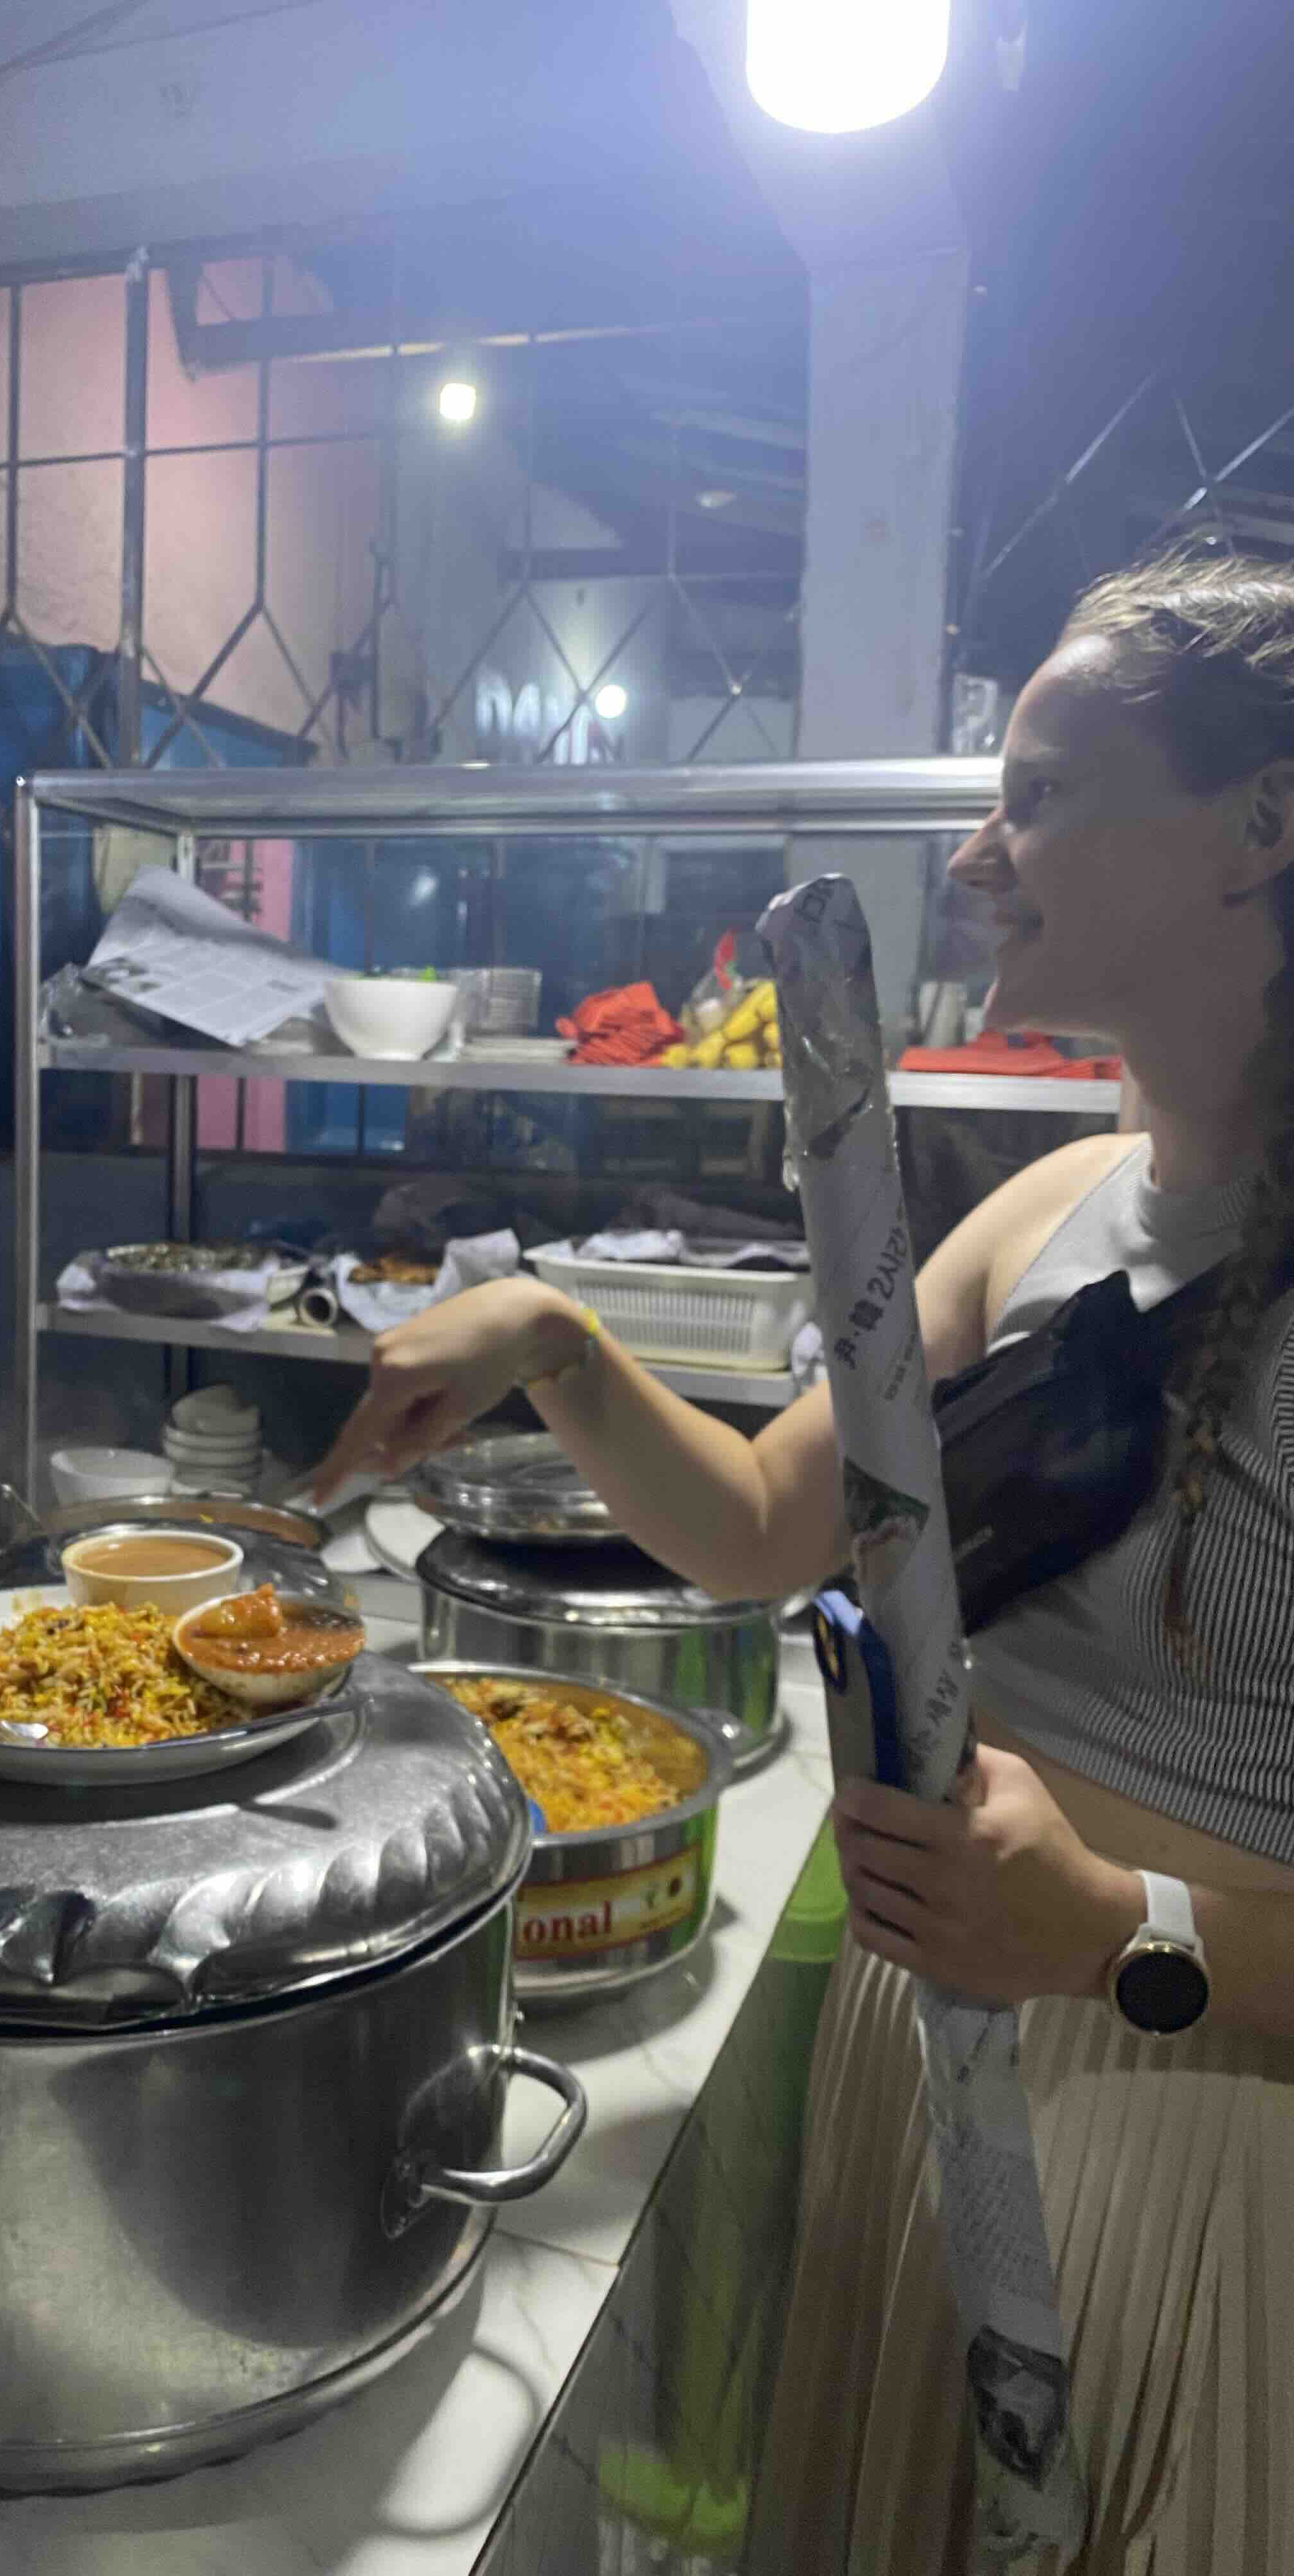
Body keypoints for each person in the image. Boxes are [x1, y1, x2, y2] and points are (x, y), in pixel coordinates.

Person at [312, 546, 1294, 2571]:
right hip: (932, 2055)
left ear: (1256, 831)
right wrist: (549, 1340)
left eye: (1038, 793)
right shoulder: (1054, 1208)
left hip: (1186, 2126)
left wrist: (1127, 1926)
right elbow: (762, 1529)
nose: (980, 857)